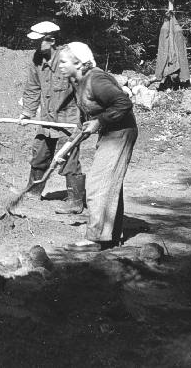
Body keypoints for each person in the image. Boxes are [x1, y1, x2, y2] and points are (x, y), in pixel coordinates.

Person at [57, 42, 138, 251]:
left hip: (120, 133)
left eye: (64, 61)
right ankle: (110, 236)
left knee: (97, 182)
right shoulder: (78, 82)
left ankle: (95, 240)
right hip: (110, 131)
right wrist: (65, 150)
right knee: (109, 183)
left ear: (78, 62)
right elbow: (83, 123)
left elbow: (123, 103)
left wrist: (100, 121)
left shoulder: (96, 79)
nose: (60, 66)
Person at [19, 21, 84, 213]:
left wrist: (88, 117)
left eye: (39, 40)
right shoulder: (36, 60)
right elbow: (32, 88)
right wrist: (27, 112)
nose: (35, 44)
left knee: (69, 159)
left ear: (52, 40)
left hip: (69, 120)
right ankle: (32, 192)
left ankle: (75, 201)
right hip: (46, 119)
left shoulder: (68, 59)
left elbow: (82, 89)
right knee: (39, 154)